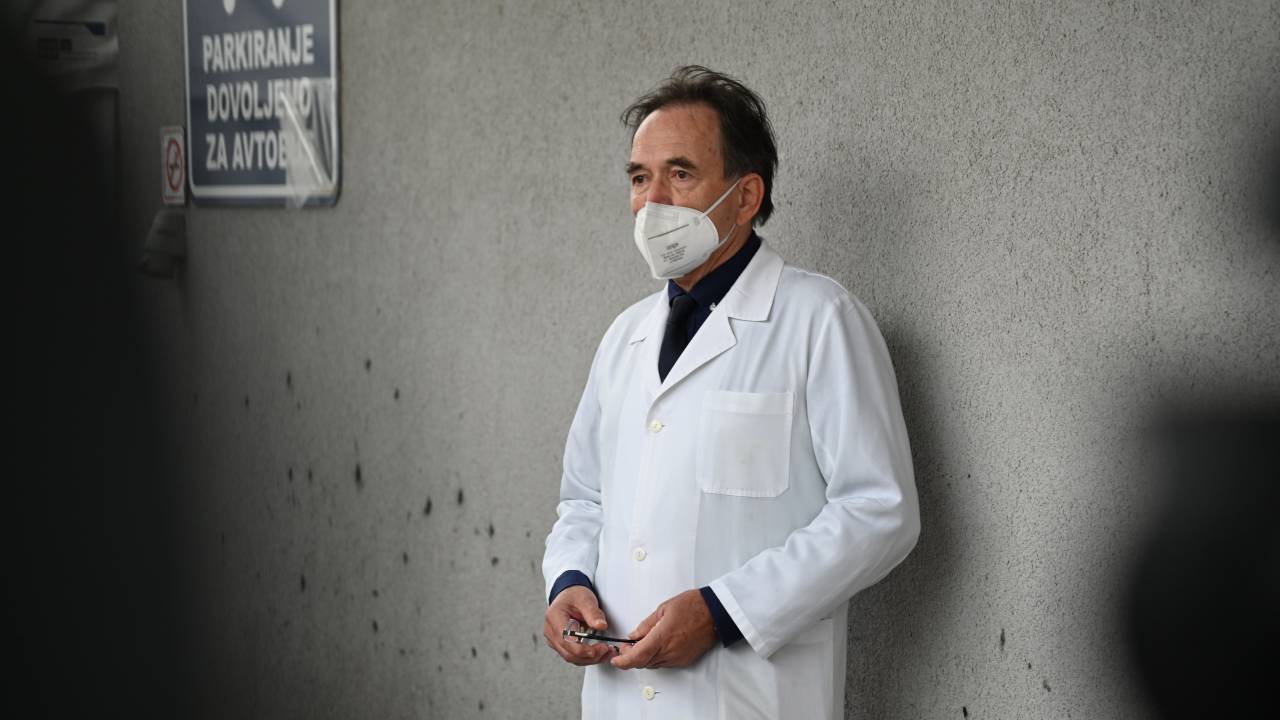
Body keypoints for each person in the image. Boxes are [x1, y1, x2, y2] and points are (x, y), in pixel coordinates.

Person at [541, 65, 921, 719]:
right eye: (639, 177)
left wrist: (723, 612)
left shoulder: (819, 320)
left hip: (750, 700)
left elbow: (879, 511)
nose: (653, 202)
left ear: (745, 197)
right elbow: (583, 499)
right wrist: (568, 581)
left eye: (680, 174)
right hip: (621, 700)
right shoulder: (625, 337)